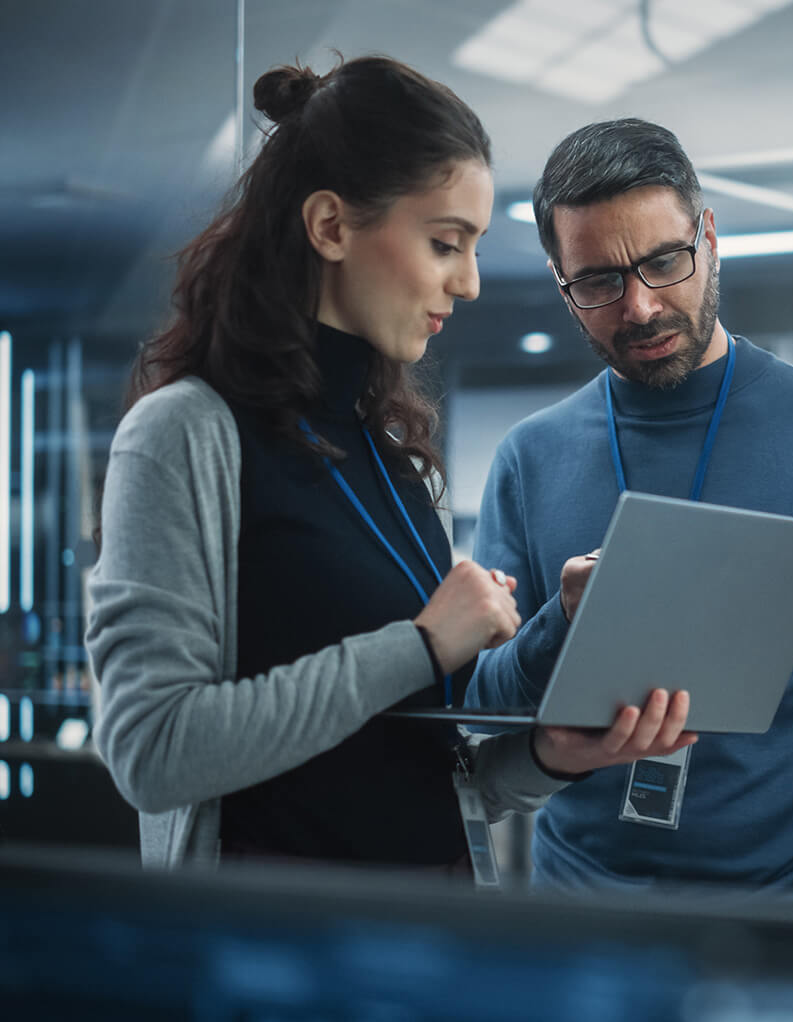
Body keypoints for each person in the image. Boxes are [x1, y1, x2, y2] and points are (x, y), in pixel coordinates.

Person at [85, 60, 694, 873]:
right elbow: (151, 753)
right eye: (446, 243)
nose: (471, 282)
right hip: (265, 967)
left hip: (424, 947)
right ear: (331, 226)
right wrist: (417, 646)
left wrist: (551, 755)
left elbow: (426, 772)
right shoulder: (184, 436)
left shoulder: (397, 460)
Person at [466, 118, 793, 909]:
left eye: (665, 261)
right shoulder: (532, 458)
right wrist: (562, 620)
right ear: (562, 284)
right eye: (597, 281)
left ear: (710, 238)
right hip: (586, 917)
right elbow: (486, 705)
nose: (640, 305)